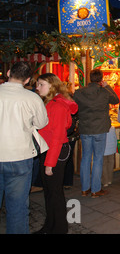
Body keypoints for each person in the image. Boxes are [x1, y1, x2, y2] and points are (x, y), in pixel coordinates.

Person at [0, 62, 48, 234]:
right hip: (20, 156)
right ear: (28, 79)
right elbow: (42, 122)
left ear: (7, 72)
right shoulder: (32, 98)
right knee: (18, 207)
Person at [34, 73, 78, 234]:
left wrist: (49, 164)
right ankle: (50, 225)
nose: (37, 88)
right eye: (37, 84)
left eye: (41, 84)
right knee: (49, 192)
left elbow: (57, 137)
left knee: (55, 193)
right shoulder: (49, 103)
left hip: (56, 152)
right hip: (48, 150)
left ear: (52, 86)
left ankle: (59, 228)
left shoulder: (58, 106)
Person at [74, 69, 120, 198]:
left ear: (90, 78)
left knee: (86, 158)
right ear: (101, 79)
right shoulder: (104, 92)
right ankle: (95, 189)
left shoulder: (79, 92)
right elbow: (116, 100)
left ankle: (84, 188)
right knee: (98, 159)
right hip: (100, 129)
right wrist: (107, 86)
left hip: (85, 128)